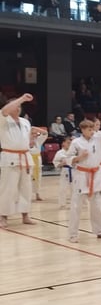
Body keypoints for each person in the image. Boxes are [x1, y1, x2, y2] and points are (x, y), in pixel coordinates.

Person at [66, 103, 101, 243]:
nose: (92, 131)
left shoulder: (99, 138)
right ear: (82, 130)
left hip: (96, 175)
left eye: (92, 128)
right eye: (89, 129)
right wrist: (79, 157)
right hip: (81, 175)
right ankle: (73, 234)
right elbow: (68, 158)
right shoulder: (76, 142)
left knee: (97, 206)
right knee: (76, 207)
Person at [0, 93, 41, 229]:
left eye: (19, 106)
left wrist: (30, 142)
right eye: (15, 106)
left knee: (26, 188)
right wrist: (22, 99)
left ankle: (25, 215)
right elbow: (4, 110)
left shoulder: (25, 122)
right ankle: (3, 216)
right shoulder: (3, 119)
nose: (18, 108)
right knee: (8, 188)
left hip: (25, 156)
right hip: (10, 157)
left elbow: (25, 139)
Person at [53, 138, 73, 209]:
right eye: (68, 143)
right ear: (63, 143)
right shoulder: (60, 153)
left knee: (74, 189)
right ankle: (62, 204)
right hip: (65, 170)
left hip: (74, 170)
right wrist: (61, 164)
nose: (69, 144)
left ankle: (74, 204)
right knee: (63, 188)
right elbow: (55, 162)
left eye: (70, 143)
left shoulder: (73, 152)